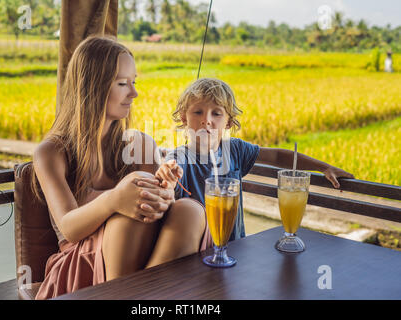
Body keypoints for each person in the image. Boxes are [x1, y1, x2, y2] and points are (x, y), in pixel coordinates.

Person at [31, 37, 209, 300]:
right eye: (123, 83)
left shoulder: (140, 144)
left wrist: (166, 190)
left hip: (144, 263)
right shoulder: (51, 152)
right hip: (82, 265)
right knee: (130, 217)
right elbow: (69, 227)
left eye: (133, 82)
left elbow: (164, 208)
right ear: (92, 87)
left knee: (189, 211)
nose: (134, 93)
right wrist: (115, 199)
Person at [156, 78, 355, 241]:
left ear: (228, 122)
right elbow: (171, 169)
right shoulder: (179, 157)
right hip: (196, 251)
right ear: (183, 118)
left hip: (235, 246)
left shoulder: (234, 149)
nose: (206, 120)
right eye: (197, 112)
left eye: (216, 113)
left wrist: (324, 167)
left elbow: (277, 155)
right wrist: (167, 173)